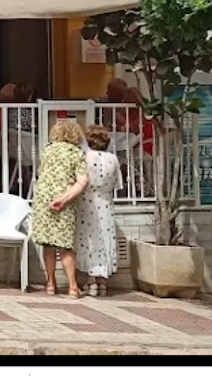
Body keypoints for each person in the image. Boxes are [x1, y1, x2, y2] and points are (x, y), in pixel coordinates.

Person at [29, 119, 90, 298]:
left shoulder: (47, 150)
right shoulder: (76, 153)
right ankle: (72, 287)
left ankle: (50, 284)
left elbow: (42, 173)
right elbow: (82, 181)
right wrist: (64, 199)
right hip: (64, 201)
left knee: (48, 244)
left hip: (43, 200)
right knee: (65, 245)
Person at [75, 125, 123, 297]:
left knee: (89, 240)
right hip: (106, 202)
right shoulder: (113, 159)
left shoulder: (84, 157)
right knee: (105, 238)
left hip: (86, 202)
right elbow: (118, 184)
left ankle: (91, 280)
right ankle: (103, 282)